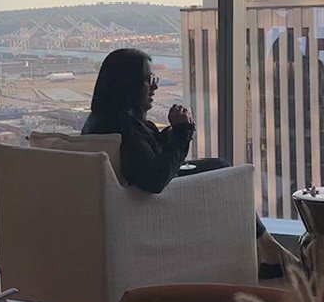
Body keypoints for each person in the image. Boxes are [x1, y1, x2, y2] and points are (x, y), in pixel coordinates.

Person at [82, 48, 291, 278]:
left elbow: (141, 158)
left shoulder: (102, 121)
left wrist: (170, 132)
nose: (154, 87)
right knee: (223, 171)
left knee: (218, 165)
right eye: (149, 80)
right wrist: (182, 132)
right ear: (130, 84)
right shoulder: (121, 127)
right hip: (145, 207)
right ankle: (269, 250)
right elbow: (156, 179)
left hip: (125, 205)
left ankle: (267, 248)